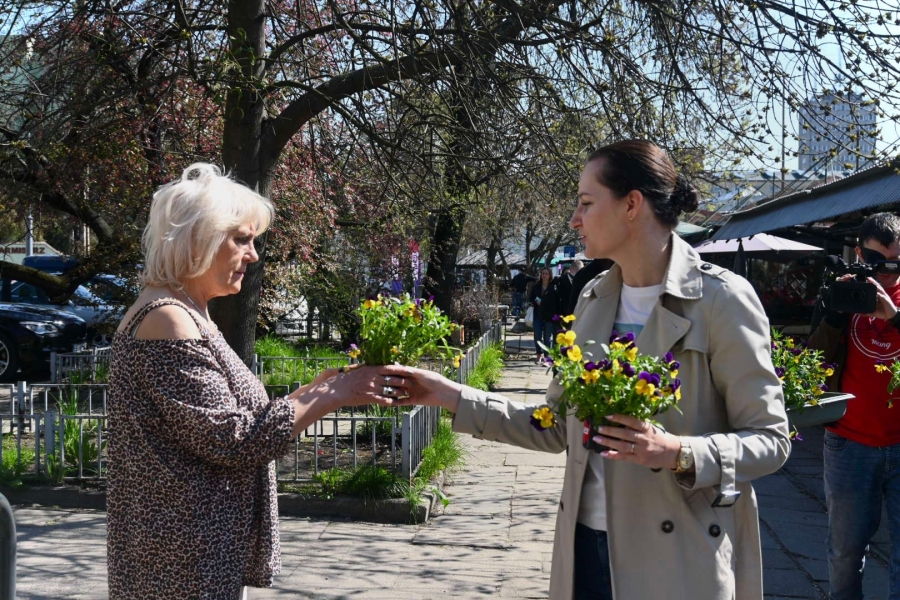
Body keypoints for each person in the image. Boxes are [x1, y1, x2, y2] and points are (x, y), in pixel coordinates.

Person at [376, 140, 790, 599]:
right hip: (586, 551)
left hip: (677, 561)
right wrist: (447, 394)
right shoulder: (594, 298)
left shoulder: (720, 300)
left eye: (587, 203)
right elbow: (556, 426)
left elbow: (770, 440)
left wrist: (678, 452)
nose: (575, 219)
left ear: (632, 205)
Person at [107, 164, 389, 599]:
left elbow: (234, 421)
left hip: (192, 552)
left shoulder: (187, 312)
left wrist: (317, 389)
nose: (253, 254)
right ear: (198, 238)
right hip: (180, 564)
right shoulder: (168, 319)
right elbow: (234, 441)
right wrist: (331, 396)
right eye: (241, 239)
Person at [806, 212, 900, 600]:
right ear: (860, 255)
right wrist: (833, 314)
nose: (888, 274)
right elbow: (811, 364)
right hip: (850, 444)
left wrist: (894, 318)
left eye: (897, 264)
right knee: (845, 553)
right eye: (879, 263)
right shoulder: (843, 293)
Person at [528, 267, 560, 363]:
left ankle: (547, 356)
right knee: (537, 336)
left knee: (547, 337)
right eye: (543, 273)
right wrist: (537, 300)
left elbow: (556, 300)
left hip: (548, 316)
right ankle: (539, 354)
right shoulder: (537, 286)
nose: (544, 275)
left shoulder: (553, 287)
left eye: (546, 273)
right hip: (538, 314)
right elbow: (531, 297)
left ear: (550, 275)